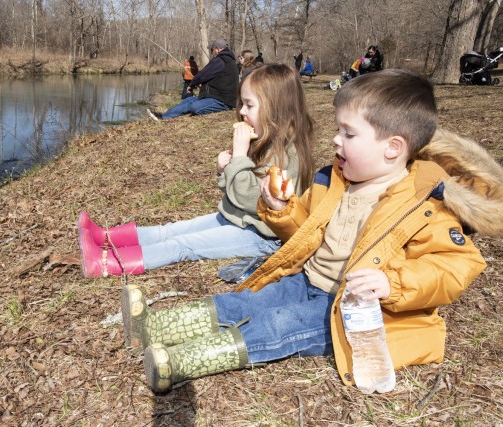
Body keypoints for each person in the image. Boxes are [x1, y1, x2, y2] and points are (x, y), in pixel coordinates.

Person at [121, 69, 503, 393]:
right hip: (308, 279)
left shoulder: (424, 204)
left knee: (278, 325)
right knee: (250, 301)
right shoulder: (333, 178)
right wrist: (279, 208)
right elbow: (301, 226)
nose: (336, 140)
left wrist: (393, 284)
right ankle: (154, 327)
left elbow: (454, 266)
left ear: (393, 148)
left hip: (350, 310)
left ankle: (183, 362)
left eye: (349, 134)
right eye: (338, 130)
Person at [79, 64, 315, 278]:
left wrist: (240, 158)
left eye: (250, 105)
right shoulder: (264, 140)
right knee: (169, 231)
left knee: (182, 245)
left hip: (261, 236)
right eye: (242, 103)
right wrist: (224, 170)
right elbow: (234, 191)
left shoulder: (288, 156)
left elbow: (251, 200)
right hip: (234, 219)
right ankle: (105, 238)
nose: (242, 111)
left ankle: (104, 263)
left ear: (277, 110)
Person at [147, 39, 239, 121]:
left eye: (212, 50)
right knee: (188, 100)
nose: (211, 53)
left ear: (217, 49)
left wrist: (191, 85)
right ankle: (163, 117)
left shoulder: (220, 60)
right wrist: (198, 85)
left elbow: (203, 74)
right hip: (216, 96)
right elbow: (212, 78)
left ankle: (164, 117)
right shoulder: (225, 60)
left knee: (194, 107)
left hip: (223, 101)